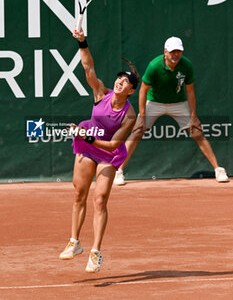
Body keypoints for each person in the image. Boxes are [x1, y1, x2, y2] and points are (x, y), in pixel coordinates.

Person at [59, 29, 139, 272]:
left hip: (107, 152)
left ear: (131, 91)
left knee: (100, 199)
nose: (119, 82)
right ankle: (74, 242)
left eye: (125, 82)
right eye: (119, 79)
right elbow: (88, 68)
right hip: (88, 144)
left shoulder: (130, 116)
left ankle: (95, 252)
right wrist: (83, 42)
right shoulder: (100, 93)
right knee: (78, 194)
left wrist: (89, 138)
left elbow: (114, 145)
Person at [114, 36, 229, 185]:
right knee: (136, 131)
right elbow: (143, 90)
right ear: (165, 52)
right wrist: (142, 115)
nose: (176, 55)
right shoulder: (154, 66)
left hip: (178, 103)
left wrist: (193, 115)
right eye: (173, 51)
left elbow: (190, 91)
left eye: (178, 51)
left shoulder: (186, 65)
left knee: (197, 131)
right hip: (155, 102)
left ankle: (218, 170)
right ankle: (119, 171)